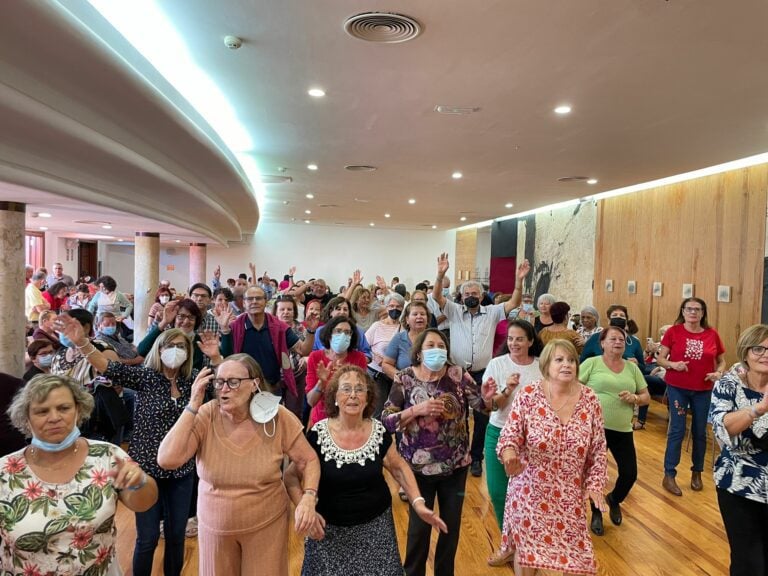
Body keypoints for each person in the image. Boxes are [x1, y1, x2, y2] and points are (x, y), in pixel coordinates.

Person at [56, 314, 218, 576]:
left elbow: (223, 385)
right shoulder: (146, 377)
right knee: (148, 537)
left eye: (181, 347)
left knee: (177, 536)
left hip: (182, 470)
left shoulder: (194, 380)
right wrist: (83, 343)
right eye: (170, 346)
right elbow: (107, 366)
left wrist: (217, 357)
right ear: (160, 349)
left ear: (188, 353)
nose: (175, 351)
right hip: (147, 471)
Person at [157, 354, 321, 575]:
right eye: (219, 382)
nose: (225, 388)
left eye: (233, 382)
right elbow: (167, 459)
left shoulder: (277, 417)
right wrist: (193, 404)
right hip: (215, 527)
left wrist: (308, 497)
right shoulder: (207, 414)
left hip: (267, 524)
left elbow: (308, 460)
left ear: (254, 384)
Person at [287, 365, 446, 576]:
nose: (353, 395)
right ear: (335, 396)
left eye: (359, 389)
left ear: (367, 398)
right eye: (346, 389)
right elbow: (290, 476)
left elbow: (398, 467)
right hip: (327, 534)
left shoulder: (378, 431)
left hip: (376, 530)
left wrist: (418, 503)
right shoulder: (318, 433)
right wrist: (305, 508)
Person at [1, 374, 158, 574]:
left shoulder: (107, 455)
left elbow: (143, 503)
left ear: (78, 410)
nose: (54, 418)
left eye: (64, 408)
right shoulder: (5, 472)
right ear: (26, 418)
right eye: (42, 411)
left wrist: (140, 482)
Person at [382, 328, 494, 576]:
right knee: (419, 530)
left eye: (441, 346)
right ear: (419, 353)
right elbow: (387, 420)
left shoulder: (458, 375)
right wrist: (415, 410)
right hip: (417, 469)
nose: (437, 350)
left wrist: (487, 399)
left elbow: (482, 407)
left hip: (456, 466)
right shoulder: (406, 377)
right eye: (430, 345)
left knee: (450, 527)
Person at [496, 340, 607, 576]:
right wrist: (509, 455)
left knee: (577, 560)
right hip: (529, 491)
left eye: (571, 360)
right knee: (528, 554)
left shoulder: (590, 399)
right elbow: (509, 436)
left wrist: (595, 483)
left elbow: (598, 448)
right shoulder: (528, 395)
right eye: (559, 360)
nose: (567, 365)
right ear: (546, 365)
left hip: (569, 494)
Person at [431, 252, 530, 477]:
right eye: (466, 293)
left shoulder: (493, 312)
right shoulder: (455, 311)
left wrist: (519, 281)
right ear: (461, 296)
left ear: (482, 295)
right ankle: (458, 454)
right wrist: (440, 275)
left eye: (474, 293)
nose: (470, 296)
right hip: (457, 372)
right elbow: (437, 297)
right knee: (456, 414)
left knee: (483, 416)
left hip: (483, 374)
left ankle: (476, 458)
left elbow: (514, 302)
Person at [483, 320, 543, 566]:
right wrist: (507, 390)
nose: (514, 343)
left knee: (530, 497)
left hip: (532, 439)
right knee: (499, 493)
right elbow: (491, 405)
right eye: (510, 339)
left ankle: (528, 547)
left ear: (530, 341)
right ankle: (510, 545)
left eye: (520, 339)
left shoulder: (542, 367)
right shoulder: (497, 364)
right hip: (498, 432)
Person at [579, 326, 650, 536]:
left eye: (621, 339)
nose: (617, 342)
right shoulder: (591, 363)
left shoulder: (632, 368)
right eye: (612, 339)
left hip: (622, 429)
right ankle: (597, 513)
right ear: (602, 343)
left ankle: (614, 499)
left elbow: (645, 396)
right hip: (595, 429)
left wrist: (635, 398)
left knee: (629, 473)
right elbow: (573, 388)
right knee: (595, 474)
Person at [710, 324, 768, 576]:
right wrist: (759, 409)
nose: (765, 354)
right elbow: (723, 428)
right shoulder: (728, 385)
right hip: (738, 484)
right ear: (746, 352)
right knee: (748, 561)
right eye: (759, 349)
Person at [656, 298, 725, 496]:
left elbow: (721, 361)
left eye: (697, 309)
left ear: (703, 313)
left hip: (703, 389)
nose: (693, 312)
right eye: (689, 309)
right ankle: (669, 475)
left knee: (700, 432)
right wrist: (673, 364)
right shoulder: (674, 332)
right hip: (678, 387)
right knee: (677, 430)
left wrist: (718, 373)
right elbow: (661, 358)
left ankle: (697, 472)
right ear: (683, 311)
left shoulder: (712, 334)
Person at [221, 285, 318, 411]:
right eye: (250, 299)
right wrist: (224, 330)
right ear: (244, 303)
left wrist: (310, 331)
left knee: (269, 427)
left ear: (265, 301)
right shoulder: (235, 326)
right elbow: (227, 358)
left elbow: (303, 350)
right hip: (241, 387)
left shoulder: (279, 327)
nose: (254, 301)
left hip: (271, 388)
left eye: (258, 298)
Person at [306, 315, 369, 427]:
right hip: (322, 420)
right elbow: (311, 401)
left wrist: (345, 377)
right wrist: (321, 382)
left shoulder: (359, 358)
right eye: (338, 331)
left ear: (351, 337)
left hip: (350, 420)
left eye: (347, 332)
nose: (342, 335)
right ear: (329, 335)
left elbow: (362, 394)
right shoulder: (315, 357)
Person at [365, 293, 406, 416]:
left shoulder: (403, 328)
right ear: (386, 307)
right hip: (377, 373)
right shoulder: (377, 326)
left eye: (398, 306)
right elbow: (364, 346)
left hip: (395, 374)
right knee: (377, 411)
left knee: (394, 410)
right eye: (391, 306)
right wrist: (376, 358)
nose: (395, 309)